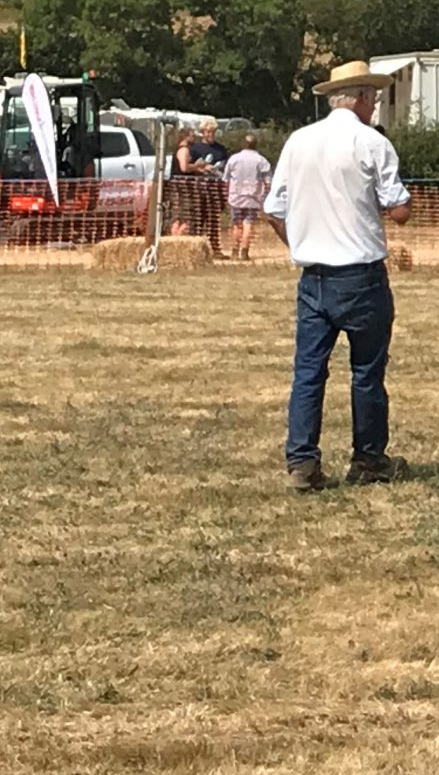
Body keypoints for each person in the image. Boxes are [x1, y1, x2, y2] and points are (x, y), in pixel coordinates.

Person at [265, 61, 412, 492]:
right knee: (366, 371)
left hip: (313, 275)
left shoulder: (298, 141)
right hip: (361, 275)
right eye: (374, 98)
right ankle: (368, 459)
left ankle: (302, 463)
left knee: (309, 371)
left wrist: (300, 244)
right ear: (361, 98)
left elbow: (273, 210)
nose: (375, 105)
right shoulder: (372, 142)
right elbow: (399, 211)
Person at [173, 118, 230, 248]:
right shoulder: (194, 149)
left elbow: (226, 166)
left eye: (213, 132)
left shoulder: (221, 149)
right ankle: (197, 247)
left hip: (215, 187)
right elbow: (188, 167)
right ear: (202, 132)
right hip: (198, 188)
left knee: (213, 219)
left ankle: (214, 247)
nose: (211, 134)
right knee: (198, 218)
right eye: (208, 132)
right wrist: (202, 168)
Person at [223, 132, 271, 262]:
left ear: (243, 144)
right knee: (248, 224)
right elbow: (267, 181)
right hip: (253, 198)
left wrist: (226, 194)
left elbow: (226, 179)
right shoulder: (261, 160)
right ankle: (244, 251)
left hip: (236, 197)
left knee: (236, 224)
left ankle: (234, 251)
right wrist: (265, 196)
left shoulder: (234, 159)